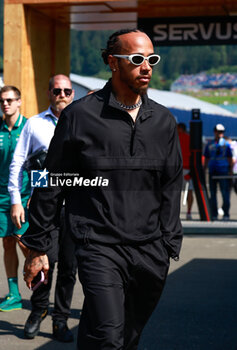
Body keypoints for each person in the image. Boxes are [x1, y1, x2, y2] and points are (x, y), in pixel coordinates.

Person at [21, 29, 183, 350]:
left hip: (151, 251)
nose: (147, 66)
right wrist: (38, 247)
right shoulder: (79, 116)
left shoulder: (163, 121)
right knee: (109, 335)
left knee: (126, 337)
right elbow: (53, 182)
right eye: (136, 59)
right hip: (99, 247)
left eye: (152, 59)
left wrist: (168, 241)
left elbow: (171, 184)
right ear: (112, 62)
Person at [8, 74, 77, 342]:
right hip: (43, 208)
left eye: (67, 90)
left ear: (72, 94)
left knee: (69, 268)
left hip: (74, 206)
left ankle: (60, 320)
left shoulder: (82, 124)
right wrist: (16, 198)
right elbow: (18, 163)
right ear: (49, 93)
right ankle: (38, 312)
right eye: (57, 90)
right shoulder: (34, 124)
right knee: (41, 261)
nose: (62, 94)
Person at [0, 85, 31, 312]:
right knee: (7, 242)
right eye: (2, 101)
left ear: (19, 102)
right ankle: (14, 294)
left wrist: (38, 194)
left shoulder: (30, 127)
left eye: (10, 100)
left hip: (26, 196)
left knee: (25, 242)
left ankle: (39, 289)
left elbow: (42, 162)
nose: (6, 104)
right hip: (1, 197)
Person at [204, 123, 232, 221]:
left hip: (223, 171)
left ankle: (226, 213)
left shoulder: (226, 144)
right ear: (215, 132)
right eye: (219, 132)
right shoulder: (210, 144)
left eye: (222, 132)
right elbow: (206, 158)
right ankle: (214, 213)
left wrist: (231, 171)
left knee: (225, 193)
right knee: (213, 194)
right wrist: (204, 169)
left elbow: (230, 158)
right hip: (212, 171)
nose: (220, 133)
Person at [177, 122, 194, 220]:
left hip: (184, 169)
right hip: (181, 169)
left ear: (181, 129)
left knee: (189, 192)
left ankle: (188, 212)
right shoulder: (175, 138)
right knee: (184, 192)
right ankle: (186, 212)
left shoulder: (186, 138)